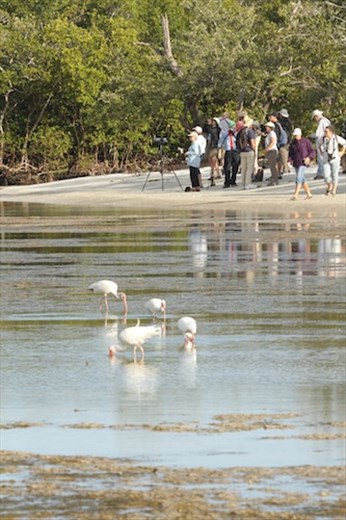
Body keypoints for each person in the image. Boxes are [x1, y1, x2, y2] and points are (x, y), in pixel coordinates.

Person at [318, 125, 346, 196]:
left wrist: (342, 152)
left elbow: (344, 143)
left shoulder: (336, 138)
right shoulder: (322, 138)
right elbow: (318, 145)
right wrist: (321, 152)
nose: (325, 133)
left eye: (326, 131)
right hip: (326, 159)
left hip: (335, 158)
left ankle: (334, 189)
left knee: (334, 174)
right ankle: (329, 185)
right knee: (326, 175)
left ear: (331, 132)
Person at [288, 128, 314, 200]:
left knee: (299, 177)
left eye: (297, 135)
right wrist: (289, 160)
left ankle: (296, 195)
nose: (296, 136)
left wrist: (309, 158)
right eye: (295, 135)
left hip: (303, 163)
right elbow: (290, 154)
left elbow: (312, 151)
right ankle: (309, 194)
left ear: (300, 134)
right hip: (296, 163)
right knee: (302, 179)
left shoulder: (306, 141)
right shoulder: (292, 143)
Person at [236, 115, 257, 189]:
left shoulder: (240, 131)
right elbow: (252, 141)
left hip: (242, 151)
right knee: (249, 168)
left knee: (244, 168)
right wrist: (254, 149)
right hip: (249, 151)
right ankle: (248, 183)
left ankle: (243, 183)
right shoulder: (250, 131)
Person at [218, 120, 239, 188]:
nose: (231, 127)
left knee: (235, 166)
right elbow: (220, 141)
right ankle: (227, 182)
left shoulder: (236, 133)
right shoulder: (225, 133)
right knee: (227, 167)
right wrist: (219, 147)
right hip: (228, 151)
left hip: (235, 151)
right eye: (230, 126)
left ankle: (233, 181)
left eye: (233, 126)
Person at [312, 109, 331, 179]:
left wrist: (312, 135)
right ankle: (324, 172)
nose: (315, 119)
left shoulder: (322, 122)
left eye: (315, 117)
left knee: (321, 157)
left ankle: (321, 173)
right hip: (327, 140)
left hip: (321, 141)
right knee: (325, 157)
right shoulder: (327, 120)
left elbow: (318, 134)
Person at [268, 112, 288, 178]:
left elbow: (276, 136)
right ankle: (278, 173)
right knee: (279, 160)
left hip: (278, 144)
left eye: (270, 117)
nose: (269, 119)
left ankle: (276, 174)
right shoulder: (280, 124)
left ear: (274, 117)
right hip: (281, 144)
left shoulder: (276, 125)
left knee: (275, 160)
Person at [205, 118, 220, 185]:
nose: (213, 122)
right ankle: (217, 173)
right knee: (213, 160)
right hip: (210, 145)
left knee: (213, 160)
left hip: (214, 146)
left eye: (214, 121)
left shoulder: (217, 129)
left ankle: (213, 174)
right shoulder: (209, 128)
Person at [278, 108, 293, 174]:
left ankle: (285, 168)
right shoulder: (289, 121)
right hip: (288, 139)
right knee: (285, 154)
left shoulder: (282, 122)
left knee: (283, 154)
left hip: (284, 140)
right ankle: (285, 167)